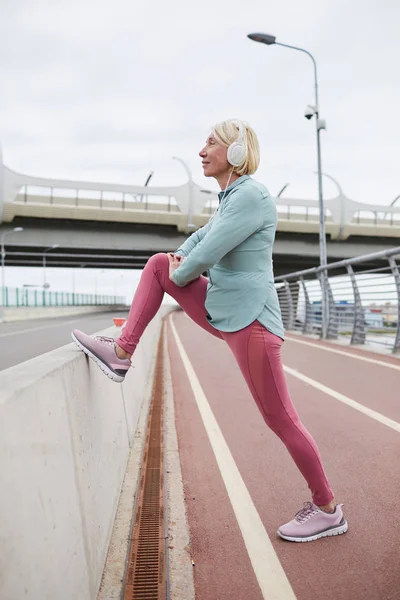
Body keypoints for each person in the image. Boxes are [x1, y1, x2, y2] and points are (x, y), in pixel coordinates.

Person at [72, 119, 348, 543]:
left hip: (252, 322)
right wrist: (180, 259)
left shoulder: (251, 195)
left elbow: (211, 249)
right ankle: (122, 351)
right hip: (227, 310)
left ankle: (328, 509)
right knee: (161, 263)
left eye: (211, 143)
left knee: (281, 419)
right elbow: (200, 238)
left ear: (237, 153)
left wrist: (186, 268)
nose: (202, 150)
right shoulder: (231, 197)